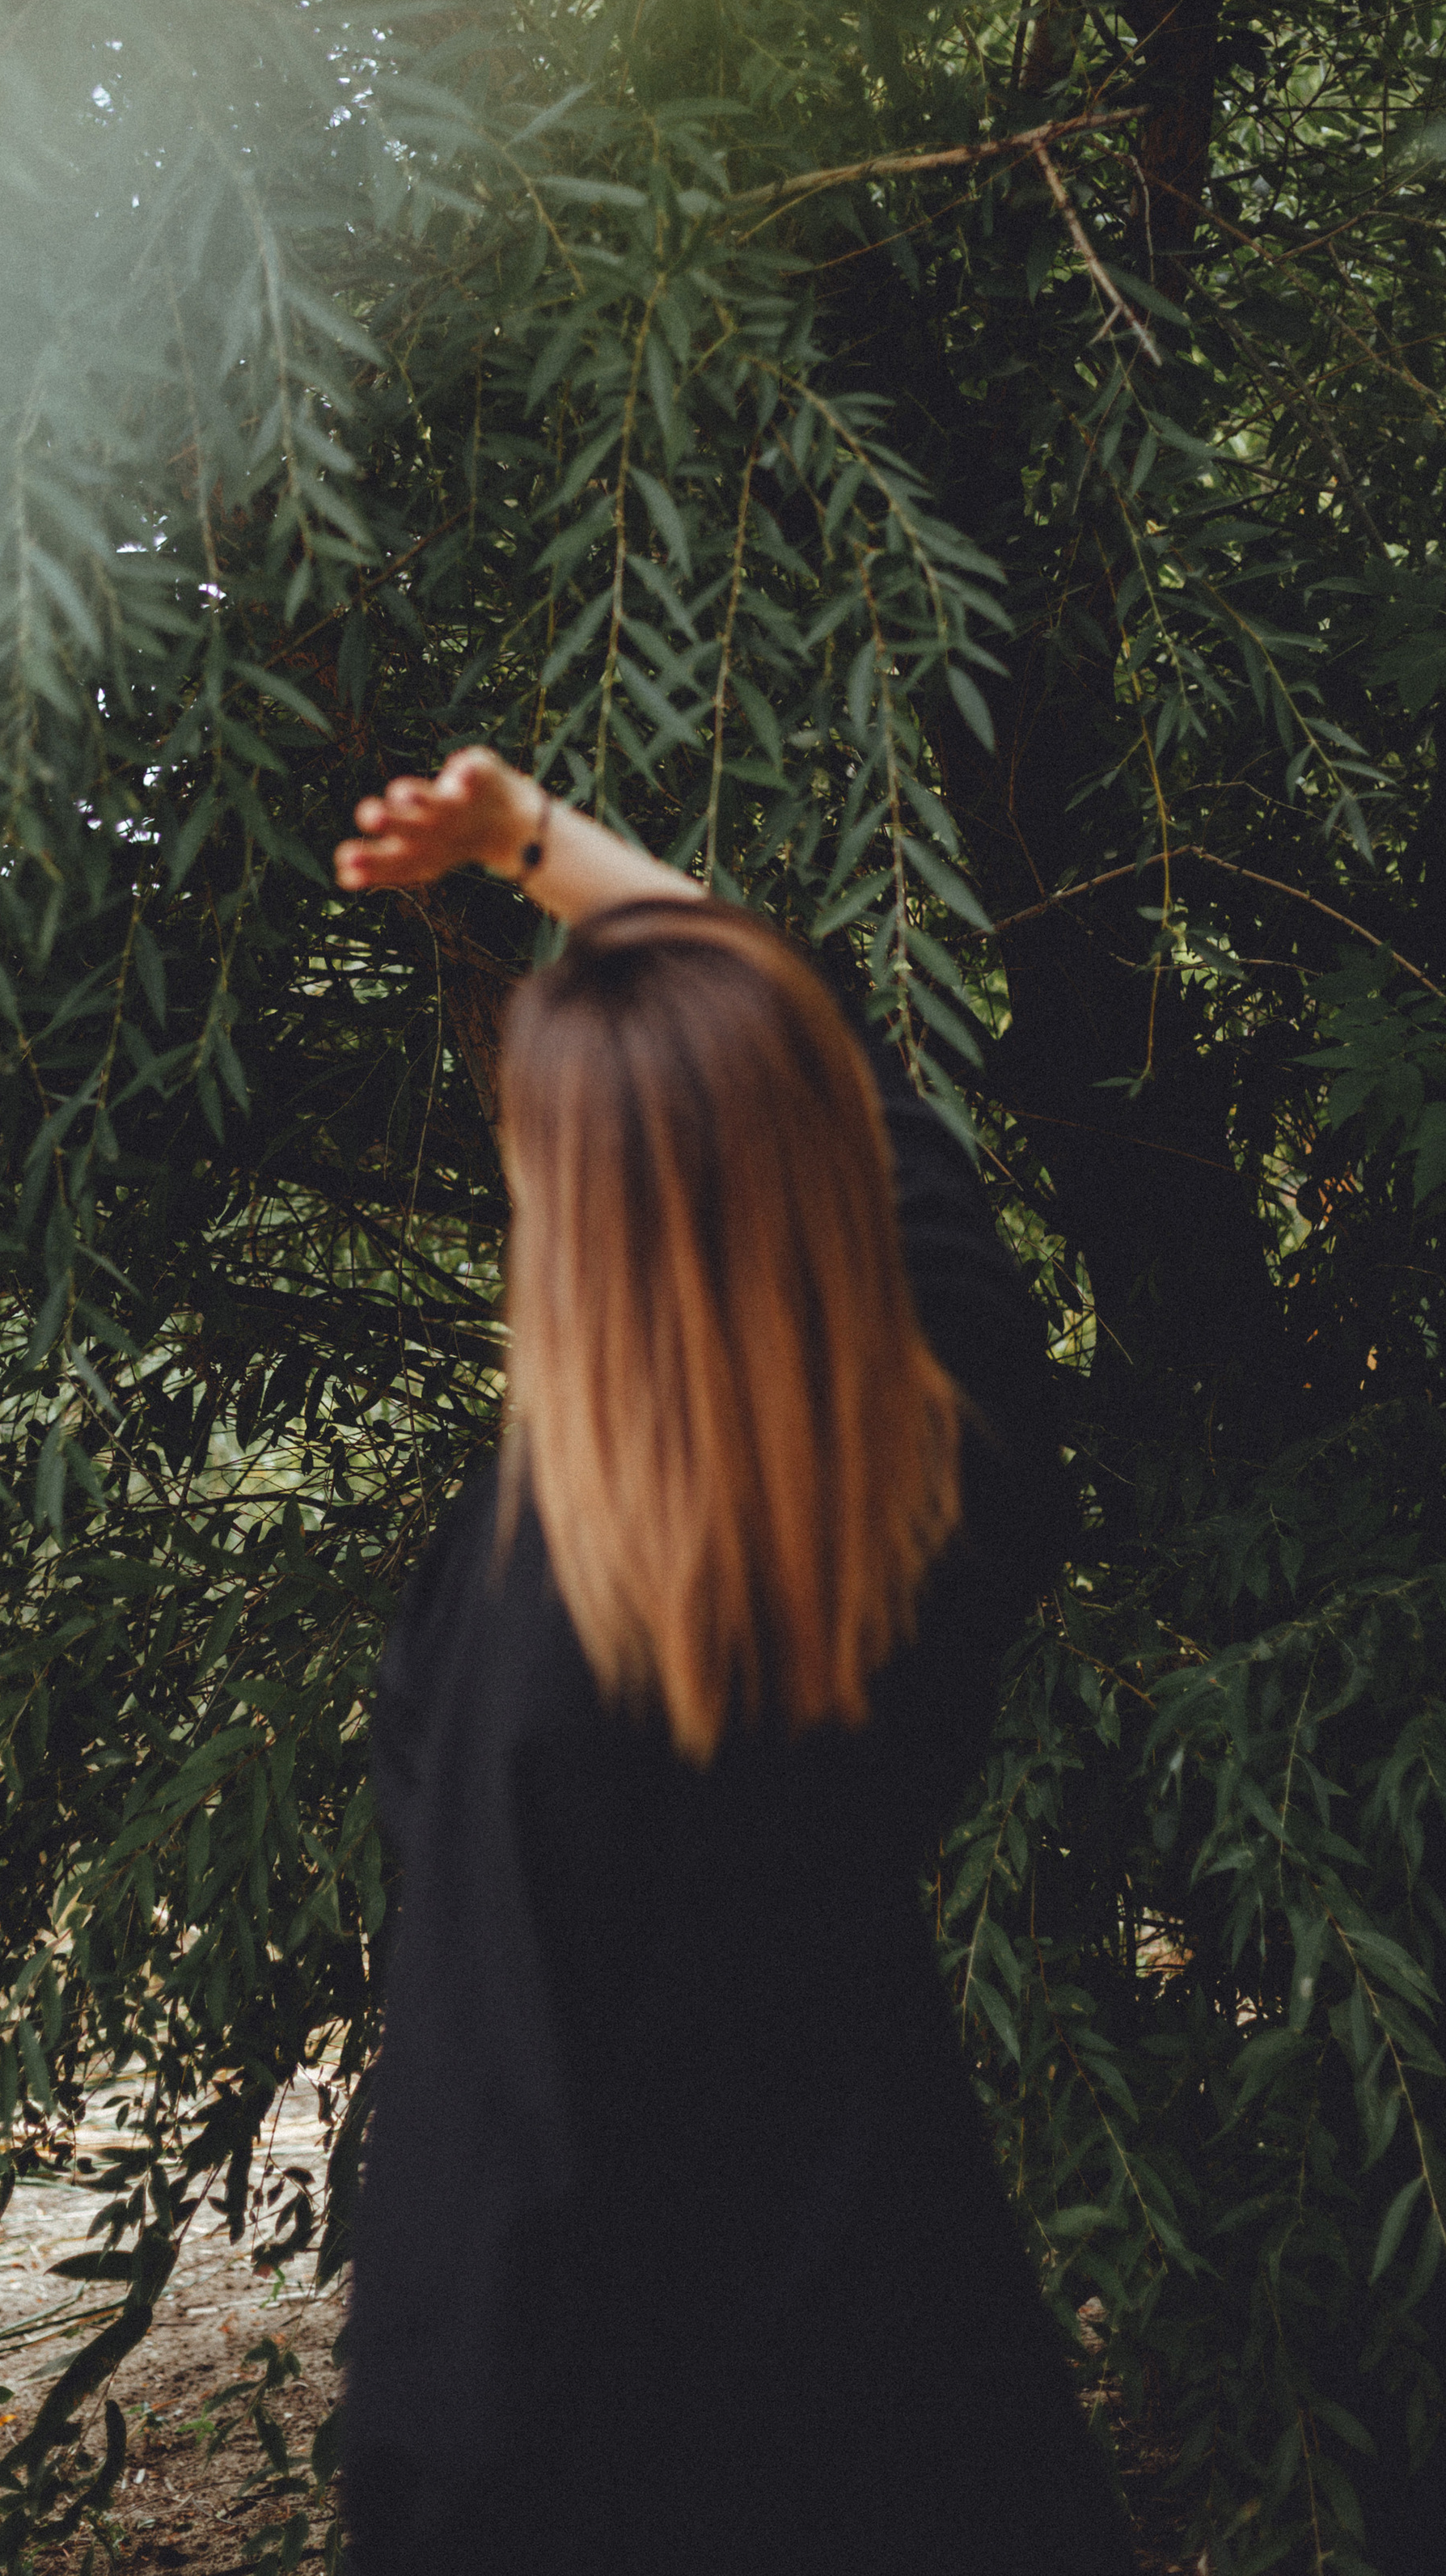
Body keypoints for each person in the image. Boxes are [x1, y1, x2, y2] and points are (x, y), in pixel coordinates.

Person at [330, 747, 1135, 2576]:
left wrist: (421, 2517)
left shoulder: (536, 1624)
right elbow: (827, 1064)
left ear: (567, 1214)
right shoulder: (937, 1462)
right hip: (934, 2409)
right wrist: (538, 845)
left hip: (659, 2471)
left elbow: (481, 2183)